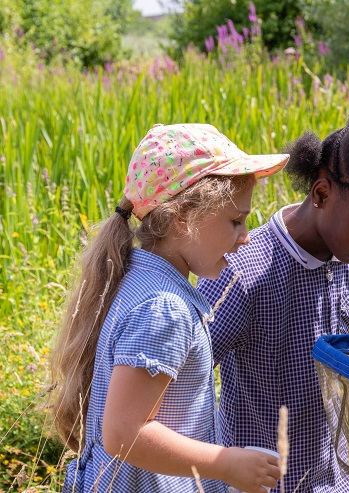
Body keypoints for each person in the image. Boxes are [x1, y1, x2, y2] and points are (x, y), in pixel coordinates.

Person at [197, 101, 349, 492]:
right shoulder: (243, 272)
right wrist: (211, 463)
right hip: (257, 479)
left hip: (331, 476)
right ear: (322, 193)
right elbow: (186, 375)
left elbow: (337, 352)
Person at [49, 123, 290, 493]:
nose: (245, 237)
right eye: (235, 221)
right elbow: (123, 432)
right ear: (182, 218)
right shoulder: (165, 309)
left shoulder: (136, 276)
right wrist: (225, 465)